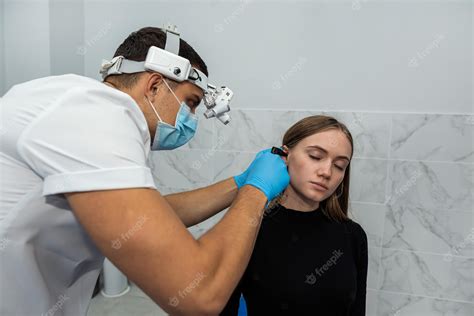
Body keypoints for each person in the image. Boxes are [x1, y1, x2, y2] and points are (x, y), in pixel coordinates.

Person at [0, 26, 289, 315]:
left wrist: (240, 182)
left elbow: (150, 217)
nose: (191, 119)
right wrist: (257, 191)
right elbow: (200, 295)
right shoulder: (95, 115)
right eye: (190, 103)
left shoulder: (82, 108)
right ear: (154, 85)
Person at [221, 115, 368, 315]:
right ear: (285, 155)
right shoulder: (250, 229)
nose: (326, 172)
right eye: (316, 156)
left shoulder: (353, 236)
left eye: (339, 165)